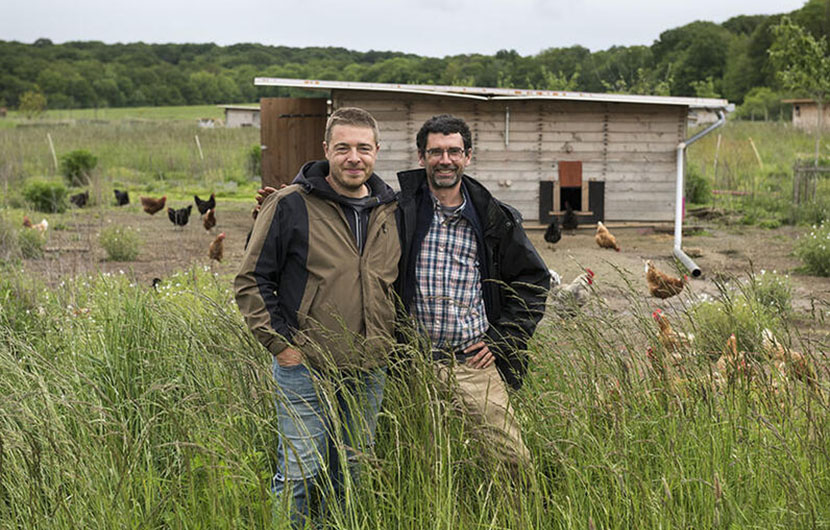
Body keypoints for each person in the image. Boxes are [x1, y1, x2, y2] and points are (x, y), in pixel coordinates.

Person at [234, 107, 400, 527]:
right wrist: (283, 347)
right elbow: (251, 280)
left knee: (352, 471)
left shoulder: (391, 210)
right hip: (306, 367)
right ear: (326, 149)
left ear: (377, 152)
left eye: (363, 148)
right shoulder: (291, 204)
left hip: (368, 368)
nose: (353, 157)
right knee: (300, 472)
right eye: (342, 147)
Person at [395, 114, 550, 473]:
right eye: (435, 152)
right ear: (421, 158)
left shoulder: (495, 219)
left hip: (474, 364)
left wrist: (502, 340)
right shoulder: (399, 213)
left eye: (453, 151)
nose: (444, 160)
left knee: (513, 460)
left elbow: (533, 280)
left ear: (468, 156)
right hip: (415, 365)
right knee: (424, 467)